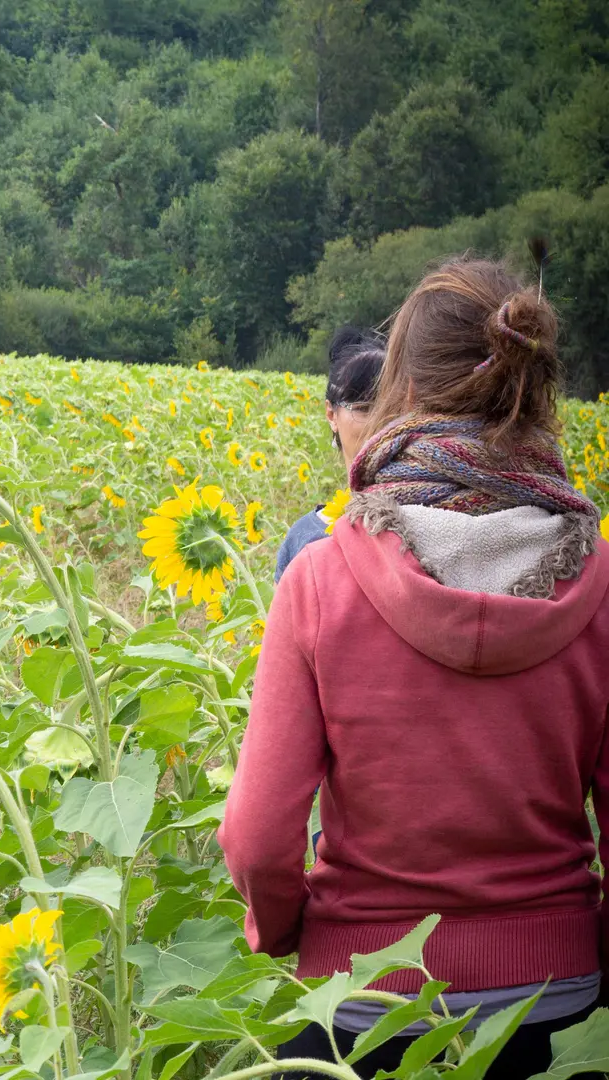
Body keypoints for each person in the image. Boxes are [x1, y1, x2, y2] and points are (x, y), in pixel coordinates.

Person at [222, 259, 609, 1080]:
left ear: (401, 386)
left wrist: (295, 933)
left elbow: (257, 839)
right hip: (558, 1008)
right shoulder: (600, 582)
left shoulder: (322, 580)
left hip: (362, 1009)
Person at [275, 327, 386, 579]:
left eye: (392, 408)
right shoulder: (304, 539)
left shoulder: (425, 522)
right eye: (364, 408)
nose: (380, 423)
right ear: (331, 414)